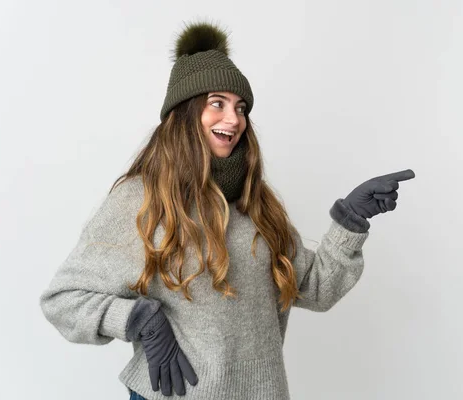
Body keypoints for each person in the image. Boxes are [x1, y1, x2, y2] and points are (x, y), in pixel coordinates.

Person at [39, 21, 415, 400]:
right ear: (186, 112)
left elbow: (314, 290)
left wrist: (351, 218)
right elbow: (63, 300)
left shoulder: (258, 203)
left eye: (240, 107)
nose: (233, 119)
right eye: (216, 103)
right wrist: (140, 321)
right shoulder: (143, 199)